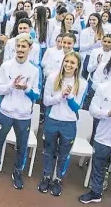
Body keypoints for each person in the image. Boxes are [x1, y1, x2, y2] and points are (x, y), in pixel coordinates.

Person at [0, 33, 41, 189]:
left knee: (22, 146)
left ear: (30, 49)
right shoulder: (6, 65)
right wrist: (11, 86)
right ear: (15, 47)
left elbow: (37, 94)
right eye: (18, 46)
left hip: (24, 116)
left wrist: (26, 89)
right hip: (6, 112)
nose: (20, 49)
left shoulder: (35, 70)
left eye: (24, 47)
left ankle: (17, 171)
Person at [38, 52, 87, 196]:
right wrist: (60, 96)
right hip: (52, 120)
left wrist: (70, 96)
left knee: (64, 155)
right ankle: (46, 176)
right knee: (48, 151)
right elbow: (46, 101)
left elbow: (77, 107)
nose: (68, 65)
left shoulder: (82, 83)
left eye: (72, 63)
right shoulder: (52, 77)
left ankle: (58, 179)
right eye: (67, 61)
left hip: (69, 124)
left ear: (77, 66)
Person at [78, 80, 111, 204]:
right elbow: (92, 110)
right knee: (99, 166)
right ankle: (96, 193)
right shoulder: (103, 88)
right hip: (104, 137)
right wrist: (107, 113)